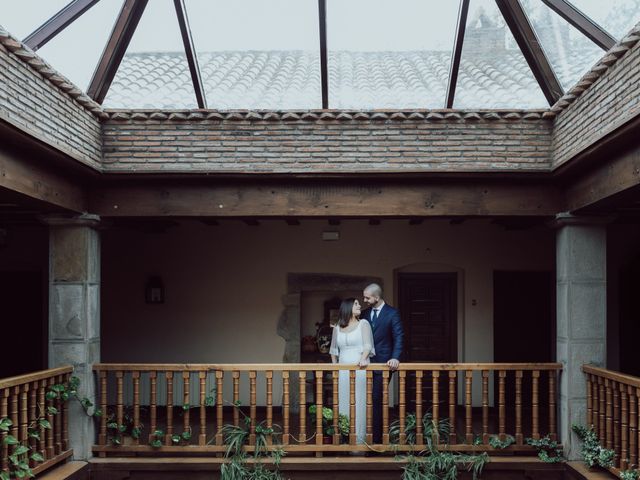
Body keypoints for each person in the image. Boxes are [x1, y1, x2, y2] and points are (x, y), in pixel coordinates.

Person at [361, 283, 404, 444]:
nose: (364, 300)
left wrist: (395, 357)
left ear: (377, 297)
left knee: (376, 399)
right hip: (363, 365)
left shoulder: (392, 313)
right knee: (361, 399)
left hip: (384, 364)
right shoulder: (364, 313)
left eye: (367, 297)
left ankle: (377, 439)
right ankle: (360, 435)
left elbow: (399, 337)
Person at [329, 298, 374, 444]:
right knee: (343, 402)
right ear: (347, 307)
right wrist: (335, 367)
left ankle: (360, 440)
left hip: (360, 368)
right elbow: (333, 350)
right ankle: (344, 437)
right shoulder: (337, 327)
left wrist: (363, 358)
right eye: (356, 303)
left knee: (360, 402)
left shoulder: (364, 324)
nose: (359, 305)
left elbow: (367, 345)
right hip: (342, 371)